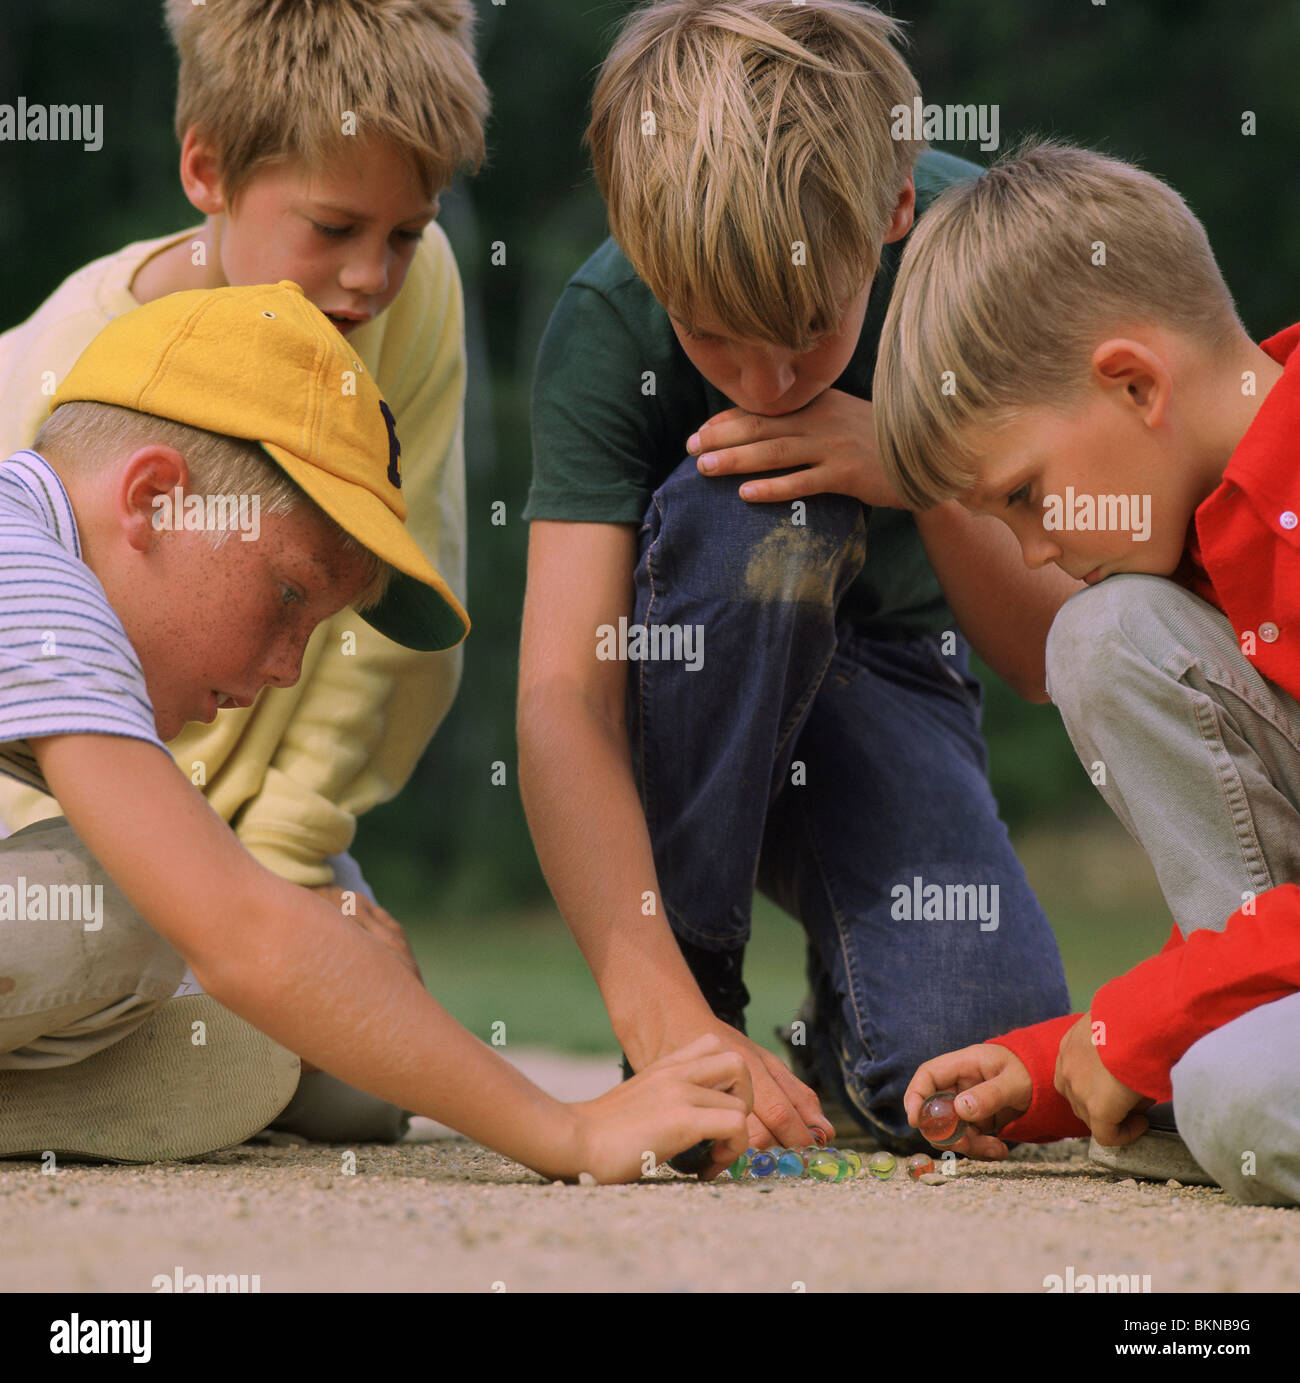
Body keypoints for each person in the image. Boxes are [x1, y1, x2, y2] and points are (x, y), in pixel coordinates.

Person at [0, 281, 750, 1183]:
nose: (286, 669)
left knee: (327, 1073)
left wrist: (301, 938)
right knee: (119, 903)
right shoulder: (25, 569)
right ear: (157, 499)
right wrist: (570, 1132)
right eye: (288, 596)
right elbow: (236, 928)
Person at [518, 0, 1077, 1176]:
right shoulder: (607, 317)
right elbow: (565, 698)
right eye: (715, 338)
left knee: (971, 1073)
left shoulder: (977, 259)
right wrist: (661, 1007)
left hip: (894, 679)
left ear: (892, 212)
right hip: (693, 678)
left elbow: (1038, 657)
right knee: (766, 504)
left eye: (811, 331)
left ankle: (827, 1048)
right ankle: (705, 1003)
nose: (768, 382)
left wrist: (919, 464)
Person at [0, 0, 487, 1142]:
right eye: (331, 229)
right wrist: (237, 923)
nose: (371, 278)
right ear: (208, 171)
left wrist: (284, 868)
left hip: (233, 844)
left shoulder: (403, 301)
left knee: (367, 1090)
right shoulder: (58, 376)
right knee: (111, 922)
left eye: (405, 235)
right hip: (68, 832)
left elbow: (368, 612)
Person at [875, 140, 1300, 1207]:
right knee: (1102, 632)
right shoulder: (1207, 551)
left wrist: (1144, 1027)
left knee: (1240, 1098)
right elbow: (1251, 910)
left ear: (1132, 383)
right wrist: (1063, 1062)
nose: (1030, 554)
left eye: (1021, 495)